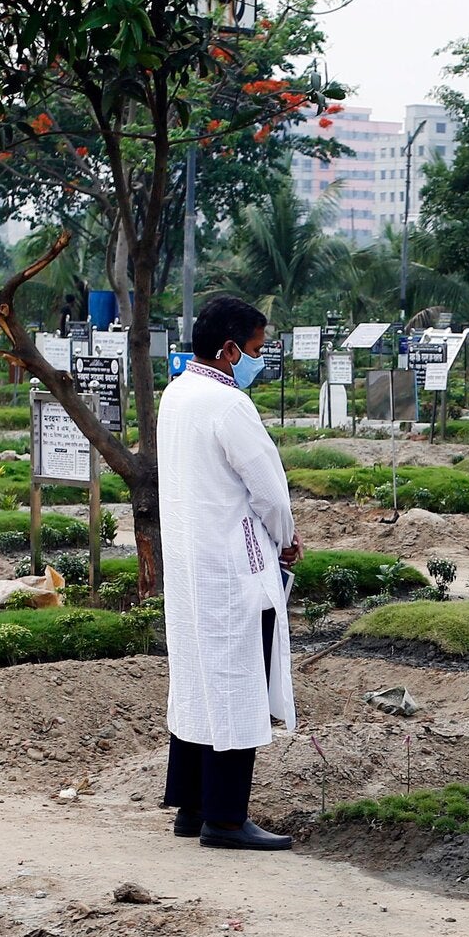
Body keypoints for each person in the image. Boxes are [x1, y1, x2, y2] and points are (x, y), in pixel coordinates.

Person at [156, 295, 299, 850]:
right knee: (237, 682)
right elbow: (269, 491)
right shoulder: (229, 404)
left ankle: (192, 807)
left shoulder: (176, 393)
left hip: (192, 563)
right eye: (256, 350)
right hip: (235, 565)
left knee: (196, 681)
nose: (257, 362)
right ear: (229, 349)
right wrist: (287, 542)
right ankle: (227, 819)